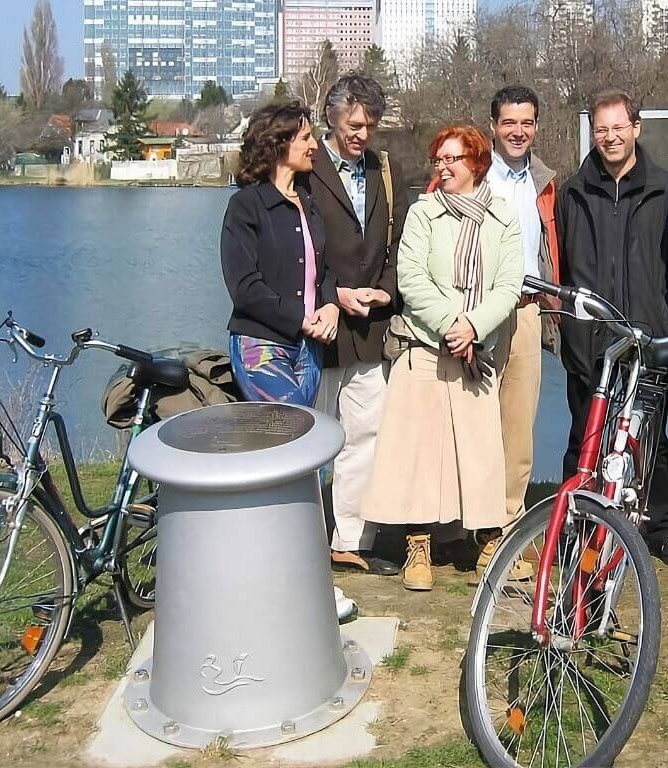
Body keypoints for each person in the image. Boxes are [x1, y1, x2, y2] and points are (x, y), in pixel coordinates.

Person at [361, 125, 524, 591]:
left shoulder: (503, 216)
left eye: (453, 158)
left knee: (481, 451)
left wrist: (474, 327)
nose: (444, 167)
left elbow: (509, 285)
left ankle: (489, 539)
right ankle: (418, 545)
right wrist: (455, 323)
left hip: (477, 351)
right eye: (439, 159)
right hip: (425, 347)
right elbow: (411, 280)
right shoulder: (422, 213)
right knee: (420, 453)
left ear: (477, 163)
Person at [557, 89, 668, 569]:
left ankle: (659, 526)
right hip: (590, 338)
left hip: (645, 339)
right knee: (585, 437)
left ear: (636, 128)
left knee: (649, 437)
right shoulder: (573, 191)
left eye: (619, 127)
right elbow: (566, 264)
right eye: (601, 129)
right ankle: (579, 524)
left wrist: (663, 326)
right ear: (592, 133)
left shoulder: (665, 188)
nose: (610, 137)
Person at [309, 74, 410, 578]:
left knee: (364, 436)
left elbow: (395, 243)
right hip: (319, 327)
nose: (362, 133)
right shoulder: (307, 167)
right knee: (310, 440)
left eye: (369, 125)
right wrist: (333, 295)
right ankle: (301, 538)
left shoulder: (383, 169)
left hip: (369, 326)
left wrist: (387, 291)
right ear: (331, 117)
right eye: (354, 124)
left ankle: (349, 540)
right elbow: (298, 250)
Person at [479, 85, 562, 579]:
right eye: (509, 122)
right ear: (494, 126)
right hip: (480, 316)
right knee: (475, 425)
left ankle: (506, 531)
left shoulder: (544, 181)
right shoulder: (471, 174)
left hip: (528, 312)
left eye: (526, 122)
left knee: (518, 430)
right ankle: (473, 526)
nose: (518, 131)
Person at [221, 100, 340, 406]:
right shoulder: (246, 206)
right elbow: (244, 288)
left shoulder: (309, 204)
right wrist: (299, 318)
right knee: (296, 435)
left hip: (309, 347)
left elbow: (323, 272)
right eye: (305, 138)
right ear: (278, 144)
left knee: (292, 443)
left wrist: (332, 306)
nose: (314, 145)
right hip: (261, 345)